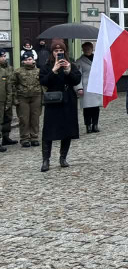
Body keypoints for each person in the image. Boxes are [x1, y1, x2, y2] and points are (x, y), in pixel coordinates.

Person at [38, 40, 81, 172]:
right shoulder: (46, 66)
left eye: (61, 51)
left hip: (68, 101)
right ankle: (46, 160)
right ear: (52, 52)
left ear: (65, 52)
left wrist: (68, 71)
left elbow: (76, 80)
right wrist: (54, 71)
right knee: (48, 131)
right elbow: (43, 81)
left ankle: (63, 158)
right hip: (53, 101)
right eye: (56, 51)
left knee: (67, 130)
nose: (59, 53)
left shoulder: (71, 65)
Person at [13, 51, 41, 147]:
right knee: (24, 118)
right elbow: (12, 84)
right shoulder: (17, 72)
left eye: (31, 59)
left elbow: (42, 84)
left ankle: (34, 137)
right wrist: (14, 97)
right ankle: (25, 138)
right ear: (23, 61)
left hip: (36, 96)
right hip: (22, 97)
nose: (29, 61)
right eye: (27, 59)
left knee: (35, 118)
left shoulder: (38, 71)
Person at [77, 41, 102, 133]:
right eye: (85, 49)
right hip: (86, 86)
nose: (87, 50)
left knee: (96, 107)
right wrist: (79, 88)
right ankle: (88, 125)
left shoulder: (98, 59)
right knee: (87, 108)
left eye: (89, 48)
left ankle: (95, 124)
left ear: (92, 49)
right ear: (83, 49)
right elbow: (78, 75)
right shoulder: (79, 61)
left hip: (96, 85)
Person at [0, 49, 14, 150]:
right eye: (2, 56)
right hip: (1, 98)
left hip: (8, 97)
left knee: (7, 118)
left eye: (5, 56)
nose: (4, 58)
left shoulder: (9, 68)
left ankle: (6, 137)